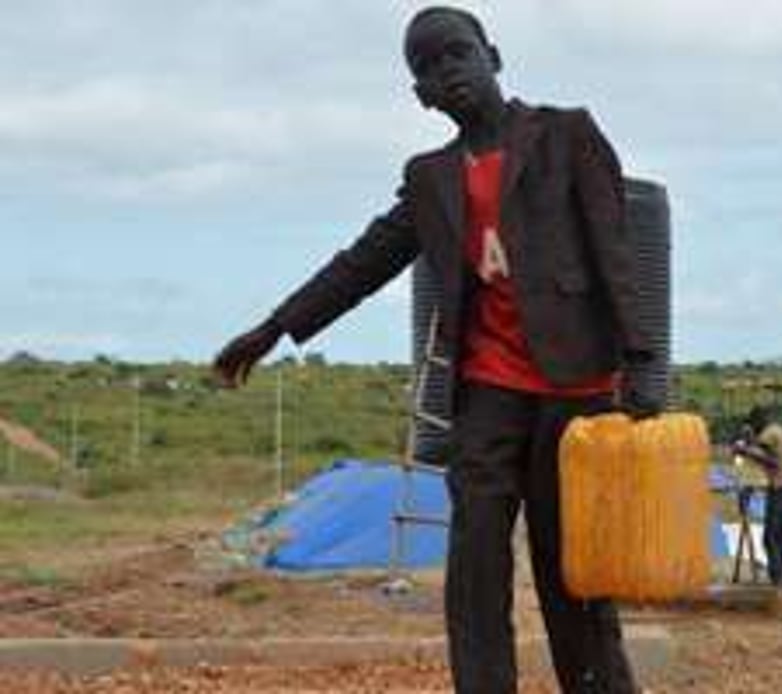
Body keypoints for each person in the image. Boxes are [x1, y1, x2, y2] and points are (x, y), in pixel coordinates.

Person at [212, 7, 657, 692]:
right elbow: (361, 263)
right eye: (426, 68)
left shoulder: (566, 134)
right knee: (474, 568)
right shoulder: (429, 178)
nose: (445, 72)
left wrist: (642, 365)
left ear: (493, 56)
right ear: (419, 94)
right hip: (487, 395)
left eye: (455, 54)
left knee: (574, 571)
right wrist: (274, 327)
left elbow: (615, 253)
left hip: (575, 396)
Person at [732, 405, 782, 585]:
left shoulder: (769, 433)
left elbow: (769, 460)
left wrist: (744, 450)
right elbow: (770, 457)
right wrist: (749, 445)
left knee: (771, 536)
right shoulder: (779, 431)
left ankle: (778, 578)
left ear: (758, 421)